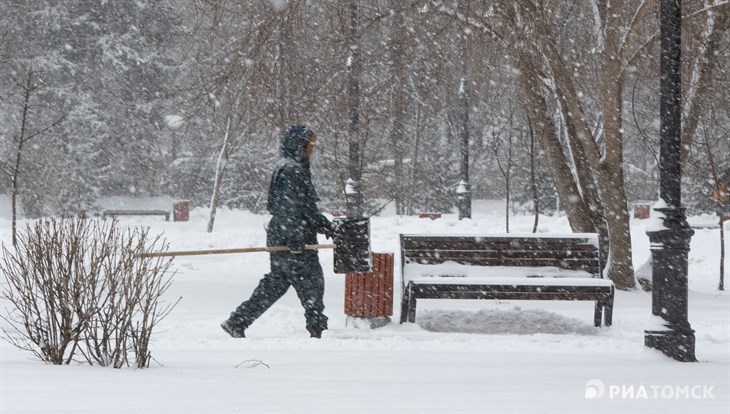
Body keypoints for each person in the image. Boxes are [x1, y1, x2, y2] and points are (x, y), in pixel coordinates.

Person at [221, 125, 334, 338]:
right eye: (310, 144)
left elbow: (303, 207)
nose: (312, 149)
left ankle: (237, 321)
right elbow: (289, 207)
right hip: (293, 237)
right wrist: (296, 236)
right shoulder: (293, 169)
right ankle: (318, 332)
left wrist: (322, 223)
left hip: (284, 233)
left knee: (277, 282)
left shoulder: (289, 166)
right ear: (299, 144)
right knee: (312, 283)